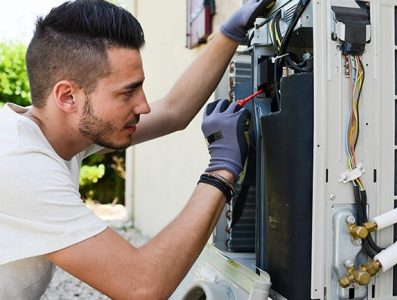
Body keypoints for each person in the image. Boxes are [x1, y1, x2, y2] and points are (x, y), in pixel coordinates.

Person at [0, 0, 275, 298]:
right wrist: (222, 169)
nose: (143, 105)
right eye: (127, 91)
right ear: (68, 96)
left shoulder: (56, 129)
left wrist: (230, 32)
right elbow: (141, 286)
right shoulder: (19, 163)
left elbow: (174, 111)